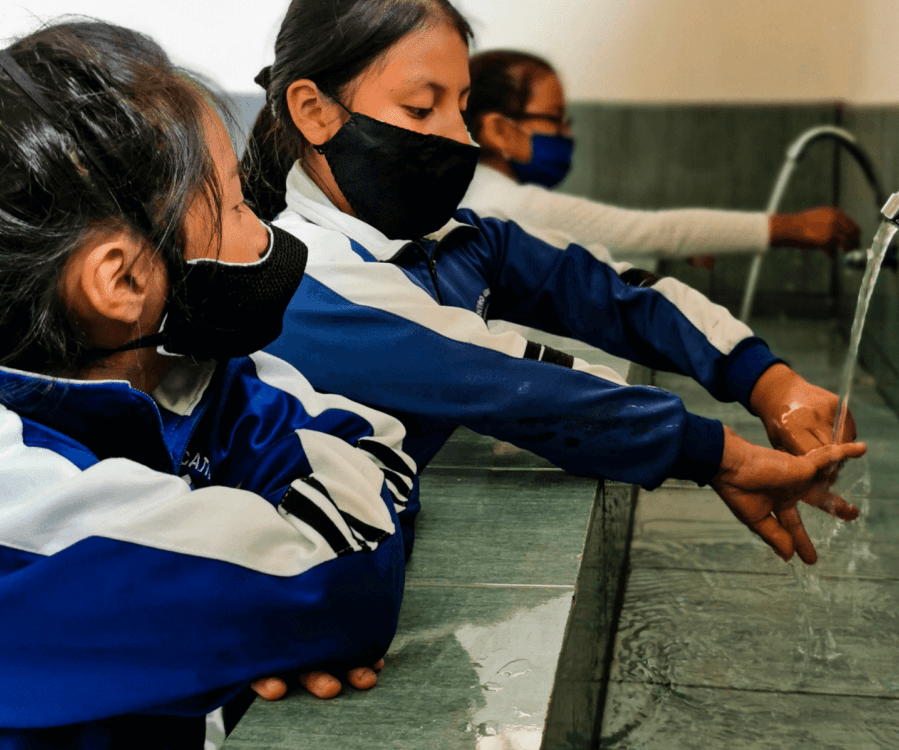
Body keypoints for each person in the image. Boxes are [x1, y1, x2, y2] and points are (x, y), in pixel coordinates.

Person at [241, 0, 865, 574]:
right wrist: (722, 456)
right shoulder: (310, 282)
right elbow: (522, 384)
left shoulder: (453, 239)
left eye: (460, 105)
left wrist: (767, 380)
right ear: (314, 112)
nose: (461, 138)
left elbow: (607, 288)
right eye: (420, 107)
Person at [0, 22, 417, 747]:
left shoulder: (177, 372)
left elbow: (372, 442)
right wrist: (288, 605)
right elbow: (343, 574)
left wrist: (258, 619)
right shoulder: (9, 495)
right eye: (240, 208)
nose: (266, 236)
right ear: (121, 279)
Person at [461, 50, 863, 269]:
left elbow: (574, 240)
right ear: (499, 131)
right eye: (556, 120)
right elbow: (653, 231)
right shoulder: (510, 204)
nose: (567, 136)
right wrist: (790, 228)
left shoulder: (472, 190)